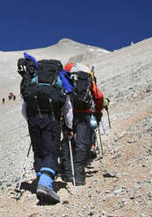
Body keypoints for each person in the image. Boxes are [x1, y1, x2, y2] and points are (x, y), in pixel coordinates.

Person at [18, 53, 73, 204]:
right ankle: (46, 183)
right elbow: (68, 107)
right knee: (51, 150)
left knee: (39, 150)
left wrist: (30, 119)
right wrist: (68, 127)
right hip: (51, 118)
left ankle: (39, 178)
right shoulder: (60, 78)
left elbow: (24, 107)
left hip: (33, 118)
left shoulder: (33, 78)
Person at [60, 61, 104, 186]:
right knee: (82, 142)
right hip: (84, 114)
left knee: (67, 142)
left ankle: (68, 173)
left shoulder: (65, 74)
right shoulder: (86, 77)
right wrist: (98, 110)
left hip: (67, 113)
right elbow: (98, 96)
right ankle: (79, 176)